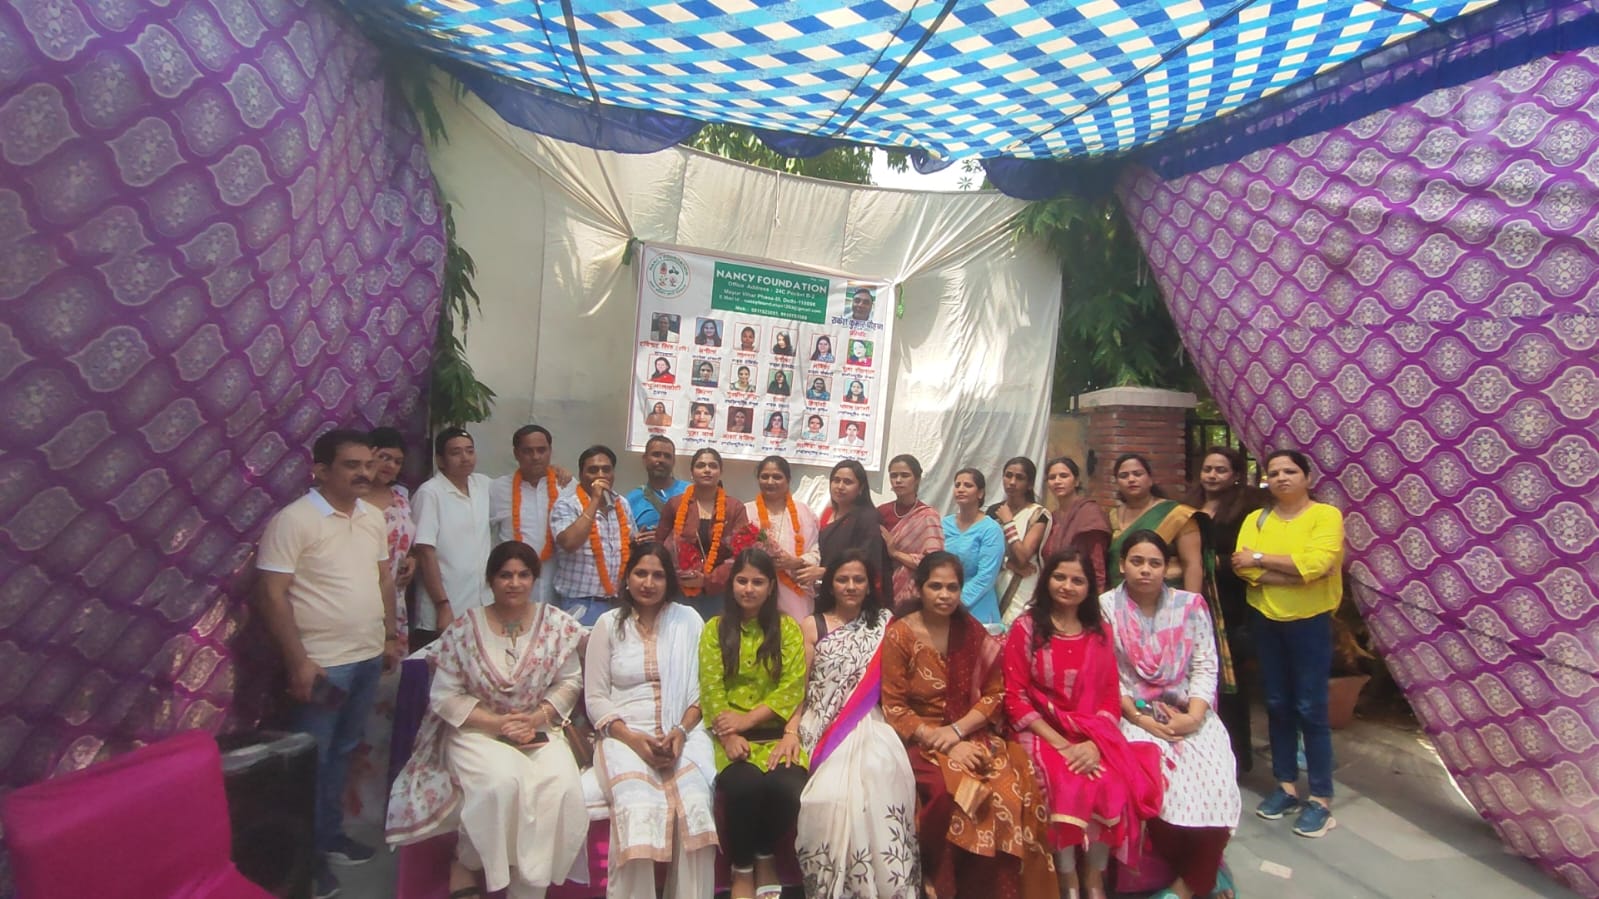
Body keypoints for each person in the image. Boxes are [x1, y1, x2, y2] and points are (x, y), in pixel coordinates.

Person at [386, 542, 588, 899]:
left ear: (534, 578)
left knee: (563, 786)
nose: (514, 583)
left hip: (537, 727)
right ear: (491, 580)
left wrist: (536, 717)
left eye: (523, 575)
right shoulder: (465, 629)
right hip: (476, 729)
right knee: (503, 782)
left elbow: (570, 680)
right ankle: (468, 860)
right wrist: (497, 724)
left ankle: (529, 887)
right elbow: (445, 696)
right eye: (505, 575)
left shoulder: (556, 624)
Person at [256, 429, 398, 899]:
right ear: (320, 470)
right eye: (350, 465)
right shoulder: (294, 521)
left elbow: (382, 580)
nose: (363, 473)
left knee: (343, 752)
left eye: (367, 464)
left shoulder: (373, 518)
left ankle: (330, 837)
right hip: (322, 667)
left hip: (365, 659)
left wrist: (389, 636)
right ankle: (306, 866)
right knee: (311, 763)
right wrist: (297, 661)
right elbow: (271, 594)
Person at [882, 552, 1055, 898]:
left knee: (1008, 792)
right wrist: (943, 741)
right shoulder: (900, 634)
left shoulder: (971, 631)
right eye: (935, 586)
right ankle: (939, 881)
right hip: (920, 737)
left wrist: (958, 732)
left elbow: (994, 695)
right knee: (956, 795)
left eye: (952, 588)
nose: (944, 595)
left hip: (968, 731)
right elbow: (895, 708)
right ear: (919, 588)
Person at [1002, 551, 1163, 899]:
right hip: (1039, 730)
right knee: (1064, 780)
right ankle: (1067, 879)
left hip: (1090, 734)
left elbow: (1109, 698)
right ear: (1047, 580)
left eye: (1077, 580)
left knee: (1109, 780)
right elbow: (1014, 697)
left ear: (1089, 588)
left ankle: (1094, 877)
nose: (1067, 586)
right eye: (1060, 577)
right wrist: (1061, 744)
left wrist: (1093, 745)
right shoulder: (1026, 627)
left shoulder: (1099, 632)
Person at [1110, 530, 1241, 899]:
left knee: (1217, 783)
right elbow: (1108, 675)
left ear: (1168, 568)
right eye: (1137, 562)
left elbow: (1204, 665)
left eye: (1155, 563)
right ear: (1122, 565)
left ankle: (1188, 886)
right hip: (1134, 715)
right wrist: (1141, 720)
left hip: (1189, 713)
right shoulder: (1105, 607)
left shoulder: (1190, 605)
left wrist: (1194, 717)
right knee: (1157, 790)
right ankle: (1203, 877)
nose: (1146, 571)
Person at [586, 545, 718, 899]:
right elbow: (596, 698)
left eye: (658, 575)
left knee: (695, 805)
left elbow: (703, 688)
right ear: (627, 578)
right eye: (640, 574)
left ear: (669, 580)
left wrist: (679, 732)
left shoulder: (688, 621)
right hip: (624, 734)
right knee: (636, 805)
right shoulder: (608, 625)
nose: (648, 582)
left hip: (684, 730)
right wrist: (632, 739)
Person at [1233, 449, 1345, 839]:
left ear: (1308, 477)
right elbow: (1243, 569)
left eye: (1290, 471)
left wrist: (1263, 559)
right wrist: (1294, 574)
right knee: (1277, 704)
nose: (1281, 478)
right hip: (1267, 621)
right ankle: (1285, 787)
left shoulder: (1325, 516)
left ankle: (1321, 799)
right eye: (1274, 473)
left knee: (1310, 708)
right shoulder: (1256, 518)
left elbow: (1317, 566)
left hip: (1310, 624)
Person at [794, 551, 920, 898]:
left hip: (870, 721)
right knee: (827, 798)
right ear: (830, 584)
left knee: (879, 778)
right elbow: (801, 687)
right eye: (842, 579)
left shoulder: (885, 623)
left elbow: (895, 683)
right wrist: (791, 729)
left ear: (869, 586)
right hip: (821, 724)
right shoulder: (813, 625)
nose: (850, 586)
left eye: (858, 580)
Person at [698, 550, 810, 899]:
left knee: (788, 786)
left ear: (771, 586)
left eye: (757, 582)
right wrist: (730, 735)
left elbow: (792, 686)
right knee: (744, 785)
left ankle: (765, 856)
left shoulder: (787, 629)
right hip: (727, 735)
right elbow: (711, 688)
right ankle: (742, 867)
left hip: (778, 734)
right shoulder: (715, 629)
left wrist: (751, 720)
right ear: (731, 585)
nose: (749, 589)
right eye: (742, 581)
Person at [1184, 446, 1265, 774]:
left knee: (1228, 683)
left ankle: (1235, 755)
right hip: (1192, 600)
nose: (1212, 475)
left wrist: (1211, 563)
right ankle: (1200, 749)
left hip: (1228, 605)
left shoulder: (1247, 511)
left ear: (1234, 475)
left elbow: (1244, 558)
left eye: (1220, 470)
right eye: (1207, 469)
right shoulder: (1188, 508)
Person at [412, 428, 493, 647]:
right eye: (456, 452)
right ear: (441, 459)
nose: (465, 458)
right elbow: (425, 552)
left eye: (469, 451)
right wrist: (442, 604)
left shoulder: (483, 485)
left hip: (481, 606)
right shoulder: (430, 493)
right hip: (446, 607)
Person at [657, 447, 752, 619]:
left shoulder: (734, 508)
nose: (707, 470)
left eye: (713, 466)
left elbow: (741, 554)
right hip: (680, 590)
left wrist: (709, 580)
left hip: (720, 593)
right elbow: (659, 548)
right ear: (692, 472)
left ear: (720, 472)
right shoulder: (675, 505)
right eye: (701, 465)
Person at [489, 425, 574, 607]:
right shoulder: (496, 489)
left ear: (550, 451)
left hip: (557, 588)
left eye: (541, 450)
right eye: (528, 451)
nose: (536, 457)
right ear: (516, 453)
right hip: (512, 590)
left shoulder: (567, 486)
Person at [550, 446, 631, 627]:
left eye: (606, 469)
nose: (600, 475)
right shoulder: (566, 504)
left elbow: (629, 544)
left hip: (616, 604)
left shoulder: (621, 504)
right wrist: (595, 500)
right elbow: (569, 543)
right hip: (580, 605)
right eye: (593, 470)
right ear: (581, 473)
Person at [1106, 454, 1204, 594]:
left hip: (1168, 599)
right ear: (1116, 483)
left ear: (1150, 480)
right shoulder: (1112, 516)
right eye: (1124, 476)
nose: (1131, 479)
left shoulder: (1177, 515)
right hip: (1121, 599)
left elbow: (1192, 564)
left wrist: (1191, 605)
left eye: (1137, 474)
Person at [746, 456, 820, 619]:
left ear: (788, 480)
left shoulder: (804, 513)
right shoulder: (746, 512)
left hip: (794, 591)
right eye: (765, 476)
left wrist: (795, 562)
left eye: (777, 477)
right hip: (756, 589)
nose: (770, 482)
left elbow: (816, 552)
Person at [368, 427, 417, 651]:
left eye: (397, 462)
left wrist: (412, 558)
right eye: (384, 458)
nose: (390, 466)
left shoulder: (401, 498)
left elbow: (407, 539)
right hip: (361, 597)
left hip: (395, 599)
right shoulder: (351, 500)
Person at [813, 460, 891, 599]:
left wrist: (824, 571)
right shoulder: (827, 514)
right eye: (836, 480)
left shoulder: (868, 518)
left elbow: (868, 559)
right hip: (825, 590)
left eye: (848, 482)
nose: (840, 486)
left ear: (860, 488)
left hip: (853, 593)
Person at [877, 454, 943, 610]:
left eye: (905, 475)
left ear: (917, 479)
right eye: (894, 475)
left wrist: (896, 553)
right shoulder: (881, 512)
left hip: (915, 594)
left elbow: (934, 562)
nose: (898, 480)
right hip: (882, 589)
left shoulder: (928, 516)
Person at [990, 457, 1049, 627]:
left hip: (1024, 586)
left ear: (1030, 484)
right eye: (1008, 476)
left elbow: (1023, 557)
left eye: (1020, 478)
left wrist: (1009, 523)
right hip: (995, 582)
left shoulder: (1038, 514)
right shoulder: (994, 511)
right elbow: (982, 553)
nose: (1012, 482)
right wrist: (1008, 564)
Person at [941, 468, 1004, 626]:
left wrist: (957, 600)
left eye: (968, 485)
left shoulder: (990, 529)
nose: (961, 489)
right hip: (944, 602)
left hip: (978, 607)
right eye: (957, 485)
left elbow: (987, 575)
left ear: (980, 493)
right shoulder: (944, 524)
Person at [1041, 457, 1111, 591]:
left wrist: (1096, 600)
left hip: (1082, 590)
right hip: (1055, 590)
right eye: (1052, 477)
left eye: (1064, 476)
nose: (1057, 481)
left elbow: (1097, 565)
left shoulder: (1089, 514)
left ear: (1076, 481)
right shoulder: (1051, 517)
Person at [625, 435, 688, 533]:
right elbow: (625, 538)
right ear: (645, 459)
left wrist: (664, 536)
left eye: (667, 456)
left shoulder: (690, 491)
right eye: (656, 454)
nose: (661, 460)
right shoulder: (631, 500)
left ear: (673, 462)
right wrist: (636, 541)